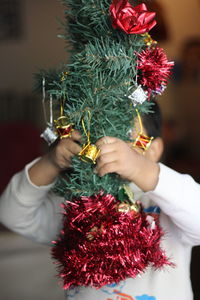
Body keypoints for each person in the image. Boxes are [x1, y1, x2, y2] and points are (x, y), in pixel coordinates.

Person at [0, 102, 200, 300]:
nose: (109, 143)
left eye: (125, 132)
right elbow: (12, 214)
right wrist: (51, 162)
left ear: (153, 150)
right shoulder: (78, 205)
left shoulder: (168, 202)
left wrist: (140, 168)